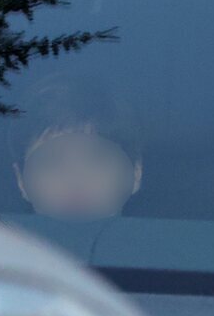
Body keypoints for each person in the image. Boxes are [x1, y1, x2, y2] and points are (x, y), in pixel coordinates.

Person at [8, 73, 143, 222]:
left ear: (136, 173)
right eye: (51, 162)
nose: (75, 180)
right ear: (21, 180)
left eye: (96, 159)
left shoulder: (165, 245)